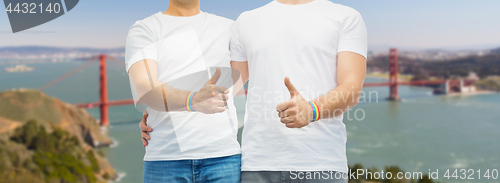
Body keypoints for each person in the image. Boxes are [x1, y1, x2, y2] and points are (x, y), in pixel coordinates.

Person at [141, 0, 367, 182]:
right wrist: (159, 117)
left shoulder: (345, 17)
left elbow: (352, 89)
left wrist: (312, 110)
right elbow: (225, 90)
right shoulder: (246, 21)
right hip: (257, 165)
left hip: (321, 165)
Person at [126, 0, 242, 182]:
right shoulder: (145, 29)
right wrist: (193, 100)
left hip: (224, 157)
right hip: (165, 160)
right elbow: (144, 86)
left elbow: (253, 70)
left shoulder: (230, 29)